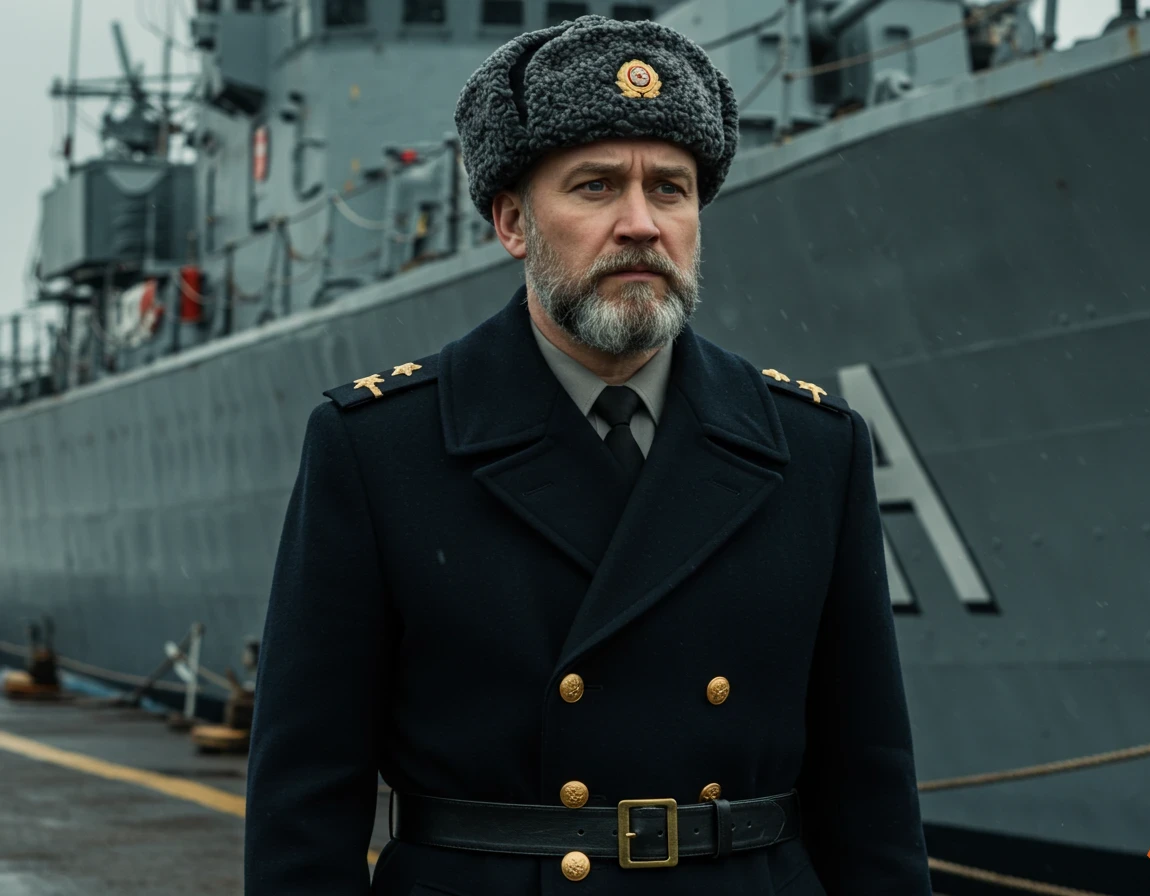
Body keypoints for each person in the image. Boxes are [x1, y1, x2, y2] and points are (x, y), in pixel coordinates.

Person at [244, 13, 931, 896]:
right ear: (512, 222)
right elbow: (305, 803)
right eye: (597, 186)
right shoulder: (380, 449)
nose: (641, 224)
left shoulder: (811, 446)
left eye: (672, 190)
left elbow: (870, 791)